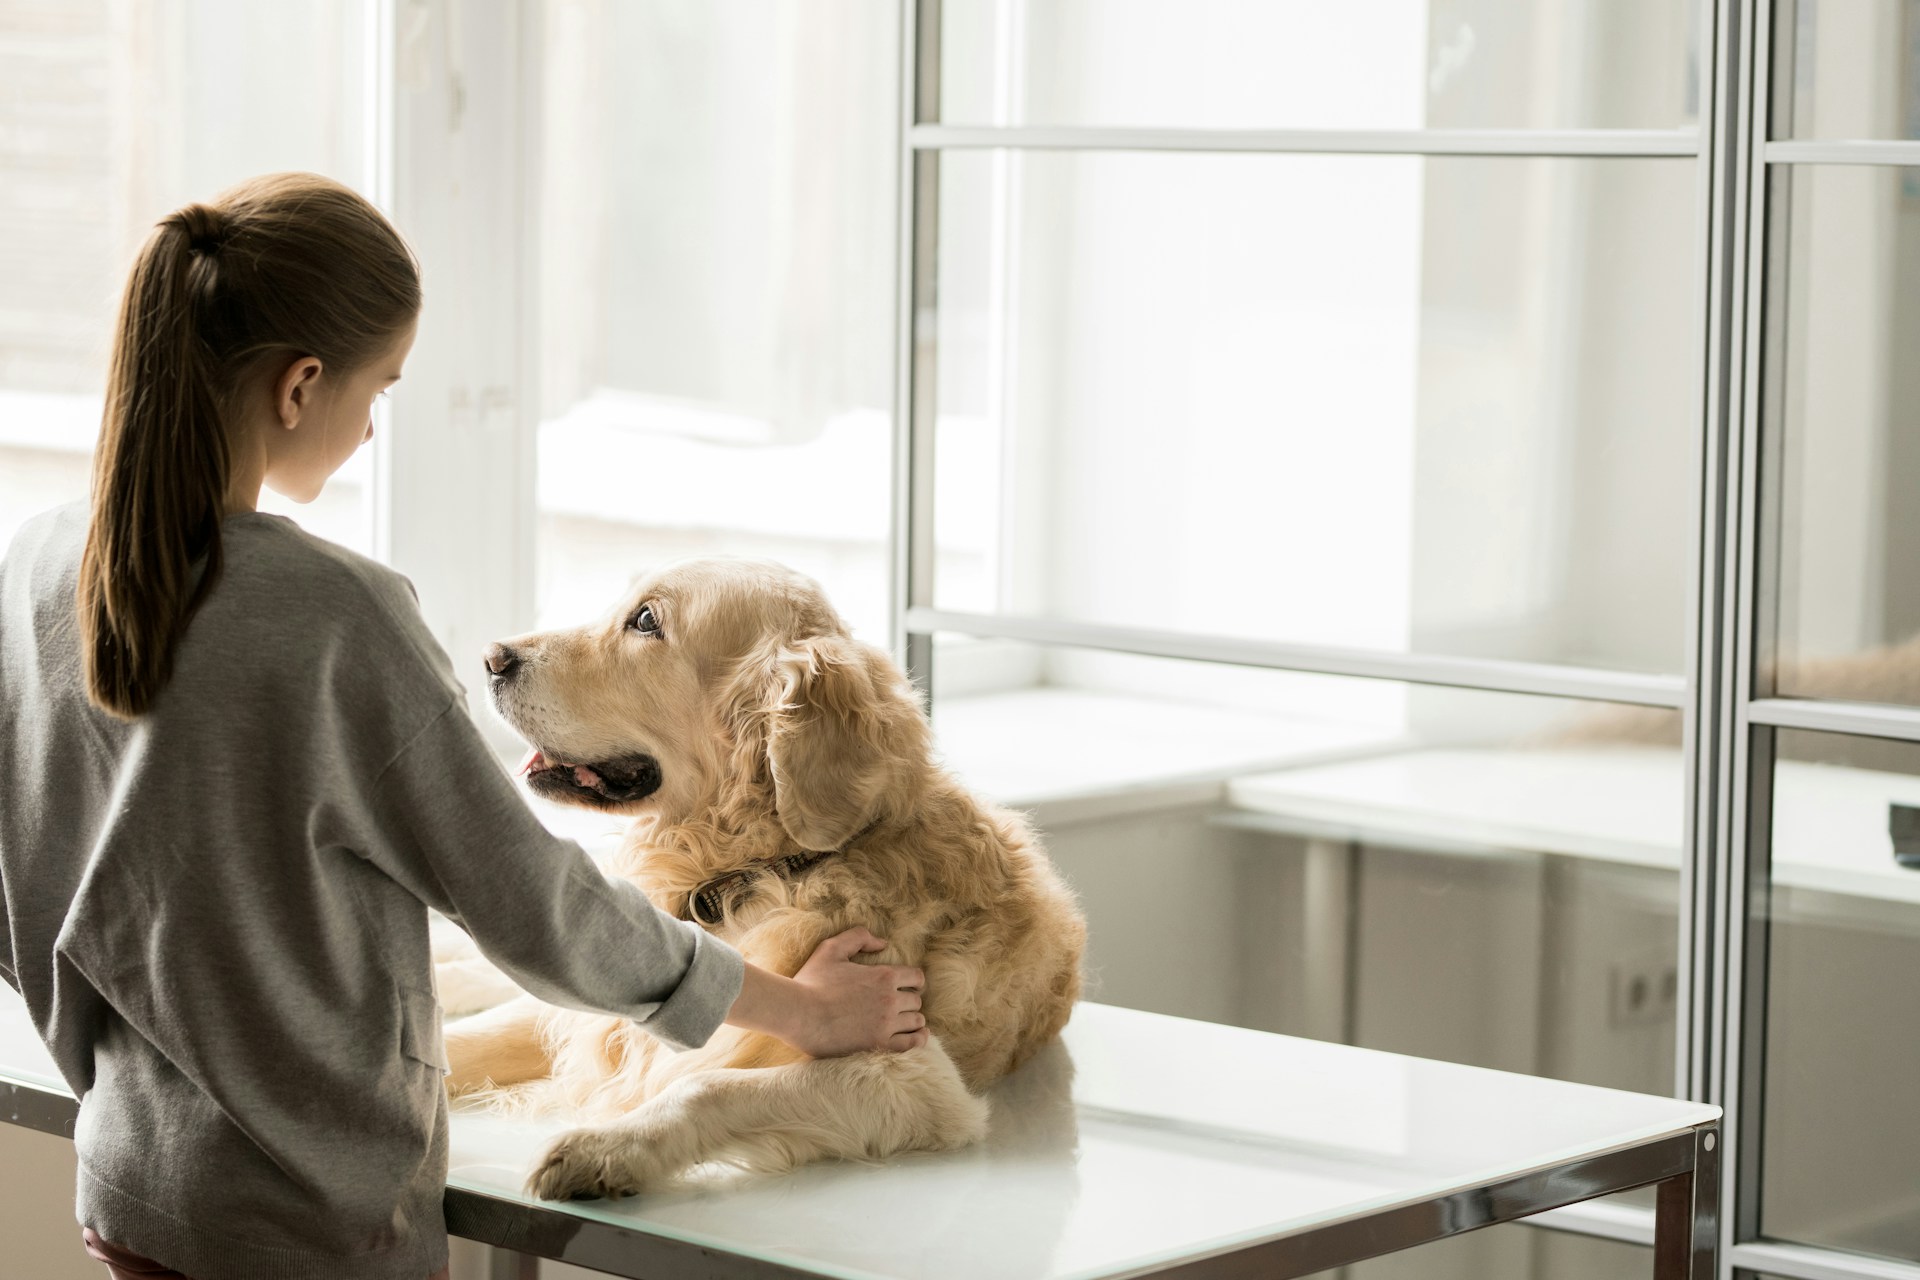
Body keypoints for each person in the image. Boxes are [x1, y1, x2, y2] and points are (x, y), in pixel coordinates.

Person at [0, 171, 928, 1280]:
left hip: (133, 1190)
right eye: (378, 388)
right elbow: (536, 904)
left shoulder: (37, 567)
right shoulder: (335, 617)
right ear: (300, 386)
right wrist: (798, 1007)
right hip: (317, 1224)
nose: (372, 427)